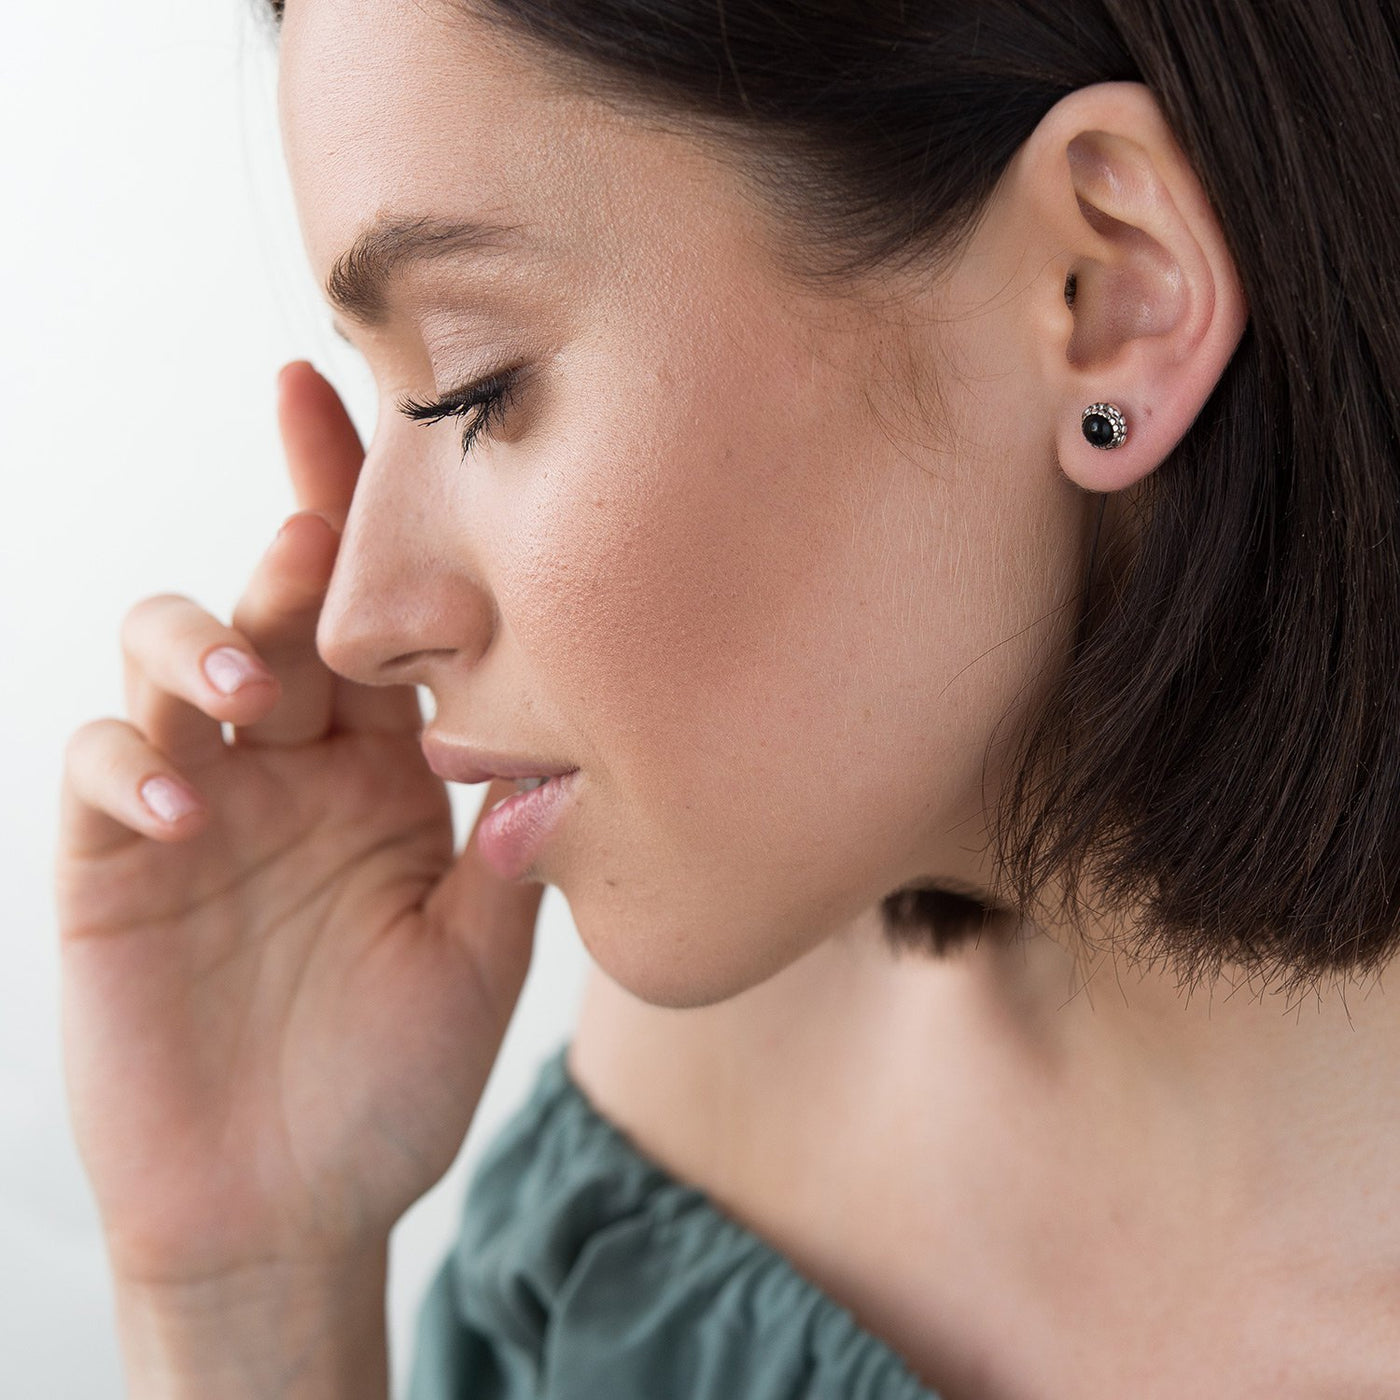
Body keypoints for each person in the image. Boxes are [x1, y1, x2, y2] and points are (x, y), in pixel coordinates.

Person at [52, 0, 1400, 1395]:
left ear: (1109, 295)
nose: (357, 625)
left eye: (475, 387)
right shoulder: (668, 1138)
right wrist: (247, 1291)